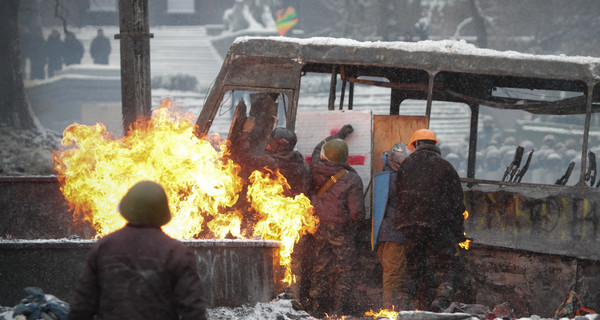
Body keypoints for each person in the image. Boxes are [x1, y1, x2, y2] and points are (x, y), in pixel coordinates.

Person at [67, 181, 208, 320]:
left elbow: (82, 306)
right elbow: (193, 311)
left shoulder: (103, 247)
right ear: (163, 215)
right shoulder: (177, 252)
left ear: (126, 210)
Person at [394, 128, 466, 312]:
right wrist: (458, 234)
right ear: (434, 145)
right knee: (453, 263)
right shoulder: (445, 166)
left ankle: (402, 304)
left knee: (413, 267)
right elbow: (457, 203)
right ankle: (441, 300)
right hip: (437, 226)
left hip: (409, 226)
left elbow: (399, 198)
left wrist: (404, 225)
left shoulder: (405, 166)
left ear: (416, 145)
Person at [306, 124, 365, 317]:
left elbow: (317, 148)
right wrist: (358, 228)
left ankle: (315, 306)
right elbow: (357, 213)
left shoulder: (315, 168)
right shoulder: (352, 179)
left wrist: (339, 135)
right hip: (341, 230)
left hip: (320, 227)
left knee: (320, 266)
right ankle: (338, 310)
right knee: (344, 269)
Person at [373, 142, 411, 309]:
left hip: (383, 234)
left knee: (390, 273)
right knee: (393, 275)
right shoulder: (398, 181)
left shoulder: (385, 176)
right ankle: (390, 310)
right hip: (394, 234)